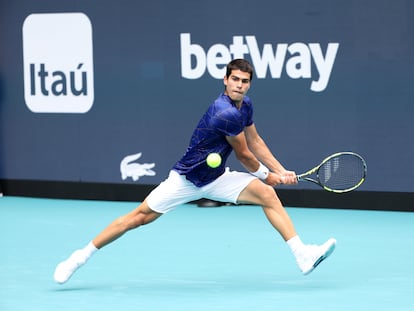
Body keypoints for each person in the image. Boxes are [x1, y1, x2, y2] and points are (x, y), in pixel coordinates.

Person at [54, 59, 336, 284]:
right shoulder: (224, 112)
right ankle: (79, 257)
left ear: (250, 85)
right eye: (234, 79)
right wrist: (267, 174)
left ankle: (302, 255)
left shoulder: (244, 106)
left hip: (216, 178)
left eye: (245, 81)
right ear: (225, 81)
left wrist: (280, 170)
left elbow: (256, 141)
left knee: (267, 195)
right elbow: (245, 155)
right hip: (187, 179)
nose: (239, 85)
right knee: (137, 218)